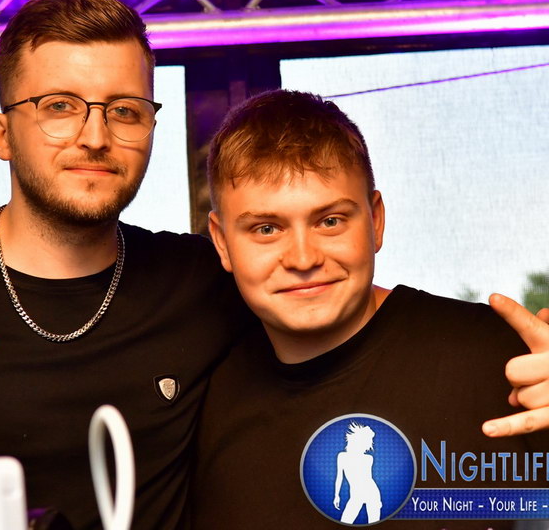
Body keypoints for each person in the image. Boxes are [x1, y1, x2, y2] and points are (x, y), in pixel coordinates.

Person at [0, 0, 247, 530]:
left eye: (125, 111)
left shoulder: (210, 280)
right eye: (60, 107)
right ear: (2, 134)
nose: (95, 138)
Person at [190, 89, 549, 529]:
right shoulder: (198, 406)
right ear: (222, 242)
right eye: (266, 229)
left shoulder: (505, 360)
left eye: (330, 221)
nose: (302, 258)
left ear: (375, 220)